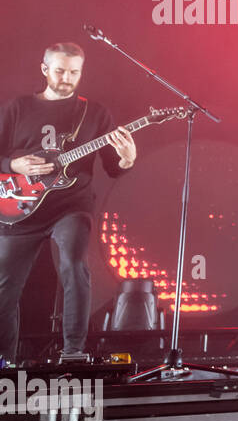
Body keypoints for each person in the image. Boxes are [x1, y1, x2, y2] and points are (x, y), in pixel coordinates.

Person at [0, 42, 136, 366]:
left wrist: (128, 159)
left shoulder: (95, 113)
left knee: (74, 266)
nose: (67, 78)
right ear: (45, 69)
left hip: (70, 205)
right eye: (60, 70)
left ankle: (73, 351)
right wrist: (13, 166)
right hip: (20, 208)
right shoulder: (17, 108)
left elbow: (112, 168)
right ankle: (5, 360)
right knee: (5, 286)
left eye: (74, 72)